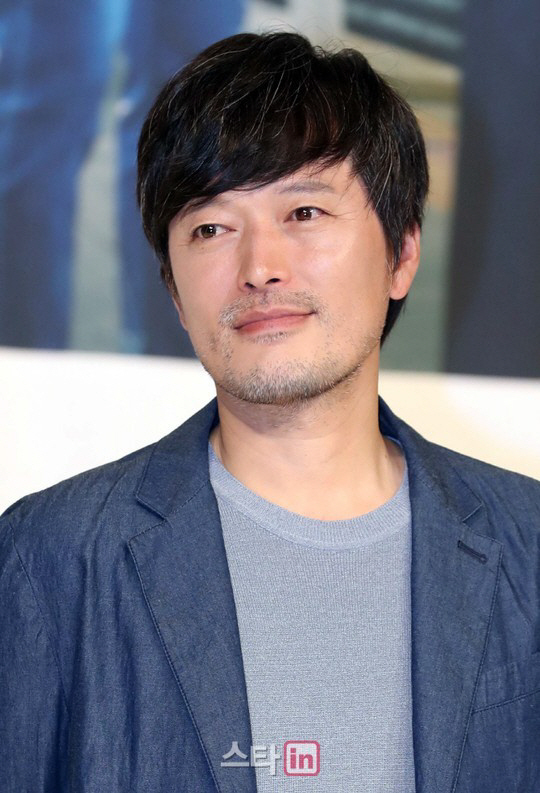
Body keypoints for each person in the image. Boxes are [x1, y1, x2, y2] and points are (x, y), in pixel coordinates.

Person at [1, 31, 539, 793]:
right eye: (211, 228)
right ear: (173, 292)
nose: (259, 267)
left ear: (402, 253)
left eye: (305, 211)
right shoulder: (50, 556)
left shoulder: (526, 548)